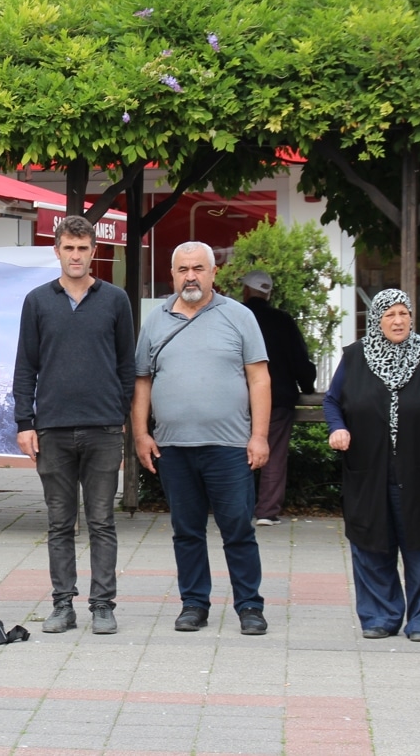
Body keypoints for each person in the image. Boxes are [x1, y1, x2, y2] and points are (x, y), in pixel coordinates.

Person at [132, 241, 271, 636]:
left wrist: (259, 436)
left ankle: (249, 606)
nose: (190, 276)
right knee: (186, 531)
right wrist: (141, 434)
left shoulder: (239, 317)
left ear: (214, 273)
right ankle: (194, 604)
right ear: (172, 274)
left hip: (228, 447)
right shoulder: (155, 321)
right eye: (182, 269)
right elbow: (142, 381)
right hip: (173, 447)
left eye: (198, 268)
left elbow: (259, 378)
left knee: (238, 530)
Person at [13, 215, 136, 636]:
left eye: (83, 248)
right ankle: (62, 605)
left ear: (94, 251)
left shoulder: (115, 300)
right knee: (59, 523)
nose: (76, 255)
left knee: (102, 521)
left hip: (103, 428)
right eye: (69, 248)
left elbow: (126, 364)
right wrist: (24, 423)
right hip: (53, 430)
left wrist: (118, 412)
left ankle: (103, 606)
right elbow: (26, 366)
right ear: (57, 250)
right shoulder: (37, 301)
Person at [323, 288, 420, 642]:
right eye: (389, 315)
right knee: (372, 541)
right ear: (376, 319)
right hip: (369, 470)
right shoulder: (355, 357)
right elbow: (333, 401)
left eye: (404, 313)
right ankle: (380, 617)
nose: (398, 321)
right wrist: (337, 428)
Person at [240, 270, 316, 526]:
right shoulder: (283, 321)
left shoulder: (236, 317)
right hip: (278, 398)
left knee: (237, 452)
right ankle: (267, 512)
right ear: (268, 293)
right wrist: (307, 385)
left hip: (239, 398)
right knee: (273, 453)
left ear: (246, 291)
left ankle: (238, 507)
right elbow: (299, 361)